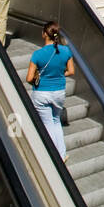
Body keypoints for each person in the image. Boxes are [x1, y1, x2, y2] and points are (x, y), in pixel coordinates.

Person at [26, 20, 76, 160]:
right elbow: (71, 71)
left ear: (44, 34)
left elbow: (29, 78)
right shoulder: (65, 51)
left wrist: (39, 78)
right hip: (59, 92)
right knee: (56, 121)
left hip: (42, 92)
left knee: (47, 123)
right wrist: (59, 74)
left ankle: (55, 157)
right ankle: (62, 153)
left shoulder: (37, 54)